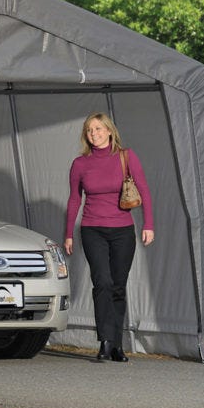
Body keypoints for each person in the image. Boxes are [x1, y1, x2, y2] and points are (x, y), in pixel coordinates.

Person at [64, 112, 154, 362]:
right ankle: (105, 341)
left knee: (117, 286)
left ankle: (117, 344)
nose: (94, 134)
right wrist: (68, 233)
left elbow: (144, 189)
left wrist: (148, 224)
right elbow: (74, 199)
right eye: (90, 130)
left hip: (123, 231)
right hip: (92, 230)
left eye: (99, 129)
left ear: (110, 131)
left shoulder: (127, 157)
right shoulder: (80, 164)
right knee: (101, 281)